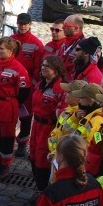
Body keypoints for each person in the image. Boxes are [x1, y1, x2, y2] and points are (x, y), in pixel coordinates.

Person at [0, 37, 31, 178]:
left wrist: (12, 101)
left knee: (6, 136)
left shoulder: (18, 68)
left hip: (7, 105)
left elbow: (24, 90)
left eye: (1, 48)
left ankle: (5, 165)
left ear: (10, 51)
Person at [30, 55, 67, 194]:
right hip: (37, 125)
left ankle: (44, 190)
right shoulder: (40, 84)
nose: (43, 68)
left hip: (49, 127)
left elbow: (61, 114)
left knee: (43, 159)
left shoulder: (61, 89)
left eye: (47, 66)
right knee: (33, 155)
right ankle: (39, 187)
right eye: (43, 65)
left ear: (56, 70)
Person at [10, 13, 45, 157]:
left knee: (26, 117)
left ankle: (22, 144)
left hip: (27, 85)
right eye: (20, 24)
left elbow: (38, 68)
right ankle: (7, 142)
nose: (22, 26)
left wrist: (34, 84)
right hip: (11, 83)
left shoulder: (36, 44)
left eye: (25, 24)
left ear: (30, 25)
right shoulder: (11, 40)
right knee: (9, 115)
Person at [59, 15, 85, 79]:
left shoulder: (83, 47)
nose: (62, 28)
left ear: (76, 28)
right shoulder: (64, 42)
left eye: (66, 25)